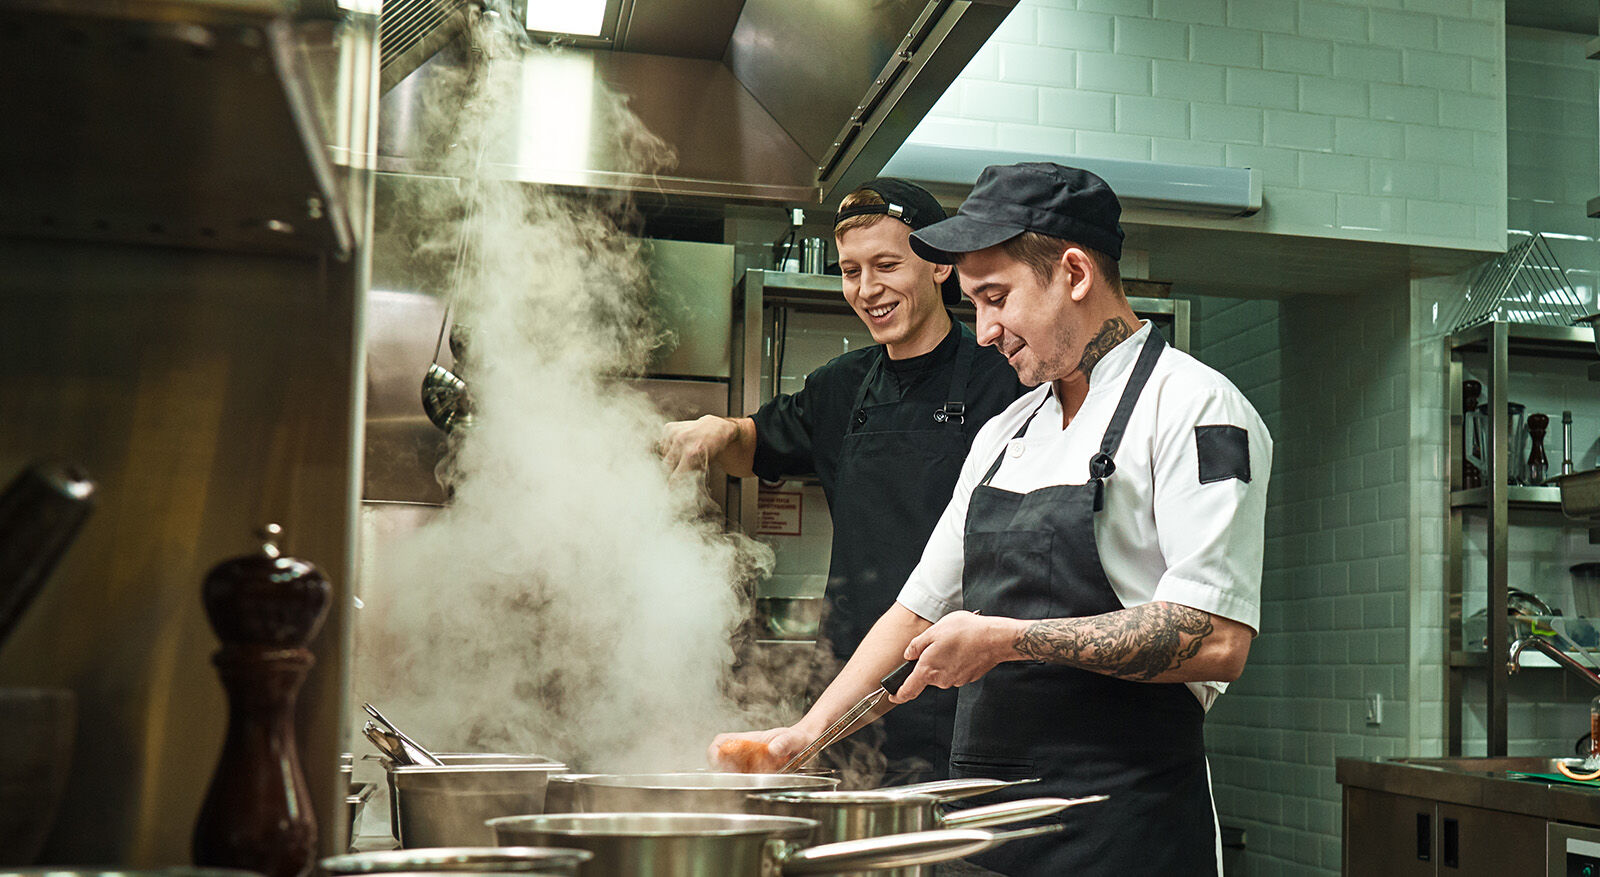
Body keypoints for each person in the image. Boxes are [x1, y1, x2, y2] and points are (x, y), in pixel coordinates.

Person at [707, 163, 1272, 875]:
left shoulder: (1194, 406)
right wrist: (807, 733)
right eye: (975, 304)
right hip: (991, 827)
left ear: (1072, 272)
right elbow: (916, 609)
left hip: (1126, 824)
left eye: (997, 298)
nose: (985, 333)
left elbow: (1215, 637)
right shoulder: (1008, 429)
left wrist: (1010, 639)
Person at [662, 179, 1026, 784]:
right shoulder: (840, 387)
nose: (866, 289)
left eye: (887, 265)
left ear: (940, 268)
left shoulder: (1005, 380)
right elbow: (753, 444)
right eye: (851, 271)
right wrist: (719, 430)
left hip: (966, 686)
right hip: (852, 685)